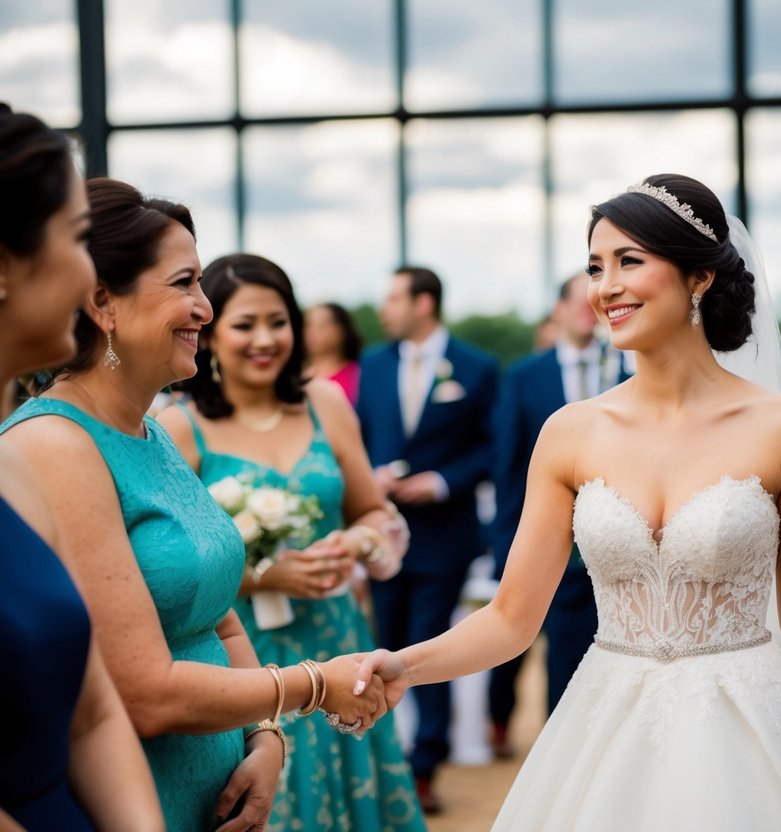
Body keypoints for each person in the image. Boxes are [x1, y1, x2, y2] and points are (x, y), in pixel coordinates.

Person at [352, 173, 781, 830]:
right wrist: (402, 665)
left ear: (698, 276)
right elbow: (509, 617)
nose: (604, 287)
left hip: (753, 732)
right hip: (605, 725)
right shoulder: (569, 433)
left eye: (628, 261)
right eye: (594, 266)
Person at [0, 177, 387, 832]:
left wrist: (266, 739)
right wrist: (315, 684)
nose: (204, 307)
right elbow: (142, 692)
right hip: (139, 800)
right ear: (104, 304)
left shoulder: (149, 431)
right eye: (184, 283)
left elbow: (220, 617)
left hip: (222, 792)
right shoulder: (56, 445)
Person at [158, 254, 426, 832]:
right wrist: (263, 576)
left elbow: (373, 511)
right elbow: (171, 570)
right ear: (210, 333)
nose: (265, 339)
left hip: (338, 640)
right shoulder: (181, 427)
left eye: (278, 322)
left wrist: (355, 544)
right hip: (247, 654)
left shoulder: (324, 402)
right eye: (245, 324)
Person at [0, 104, 163, 831]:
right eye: (76, 238)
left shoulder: (11, 467)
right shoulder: (48, 443)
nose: (93, 272)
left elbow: (94, 713)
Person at [356, 266, 498, 813]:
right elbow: (360, 437)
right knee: (381, 645)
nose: (384, 308)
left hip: (445, 535)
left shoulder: (477, 367)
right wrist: (374, 477)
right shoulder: (373, 364)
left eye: (393, 297)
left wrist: (440, 482)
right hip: (384, 535)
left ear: (424, 304)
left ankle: (424, 769)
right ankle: (385, 761)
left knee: (428, 646)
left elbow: (493, 446)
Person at [487, 272, 630, 755]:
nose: (588, 313)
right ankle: (554, 745)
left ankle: (593, 745)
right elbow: (508, 464)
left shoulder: (628, 369)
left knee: (593, 648)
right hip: (548, 535)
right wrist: (506, 540)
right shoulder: (526, 375)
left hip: (616, 535)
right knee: (529, 644)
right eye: (579, 304)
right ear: (559, 311)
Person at [305, 301, 363, 407]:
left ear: (342, 330)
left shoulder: (359, 376)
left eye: (322, 325)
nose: (312, 331)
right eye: (308, 325)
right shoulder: (296, 378)